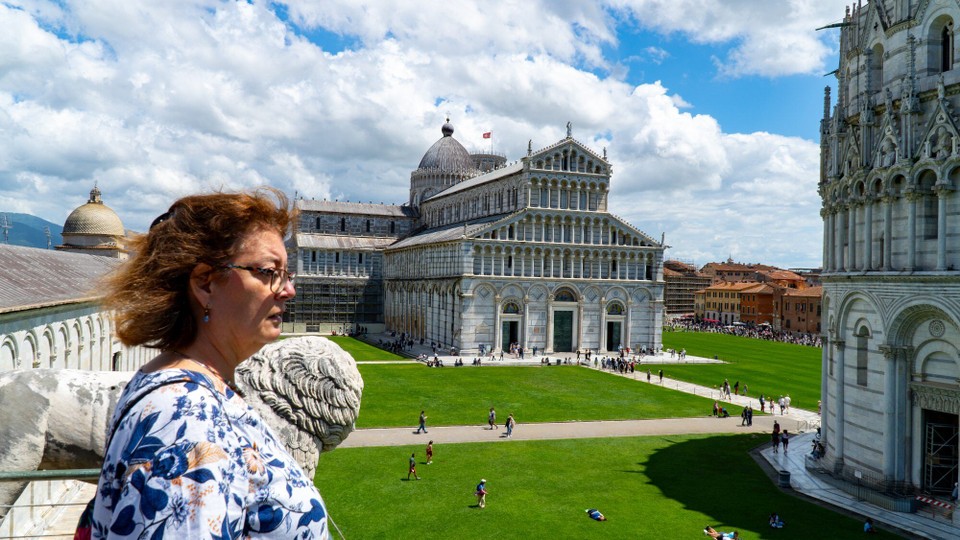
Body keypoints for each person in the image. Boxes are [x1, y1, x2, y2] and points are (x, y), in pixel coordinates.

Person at [90, 189, 329, 537]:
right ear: (205, 283)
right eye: (268, 272)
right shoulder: (184, 419)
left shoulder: (190, 389)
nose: (288, 289)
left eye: (286, 273)